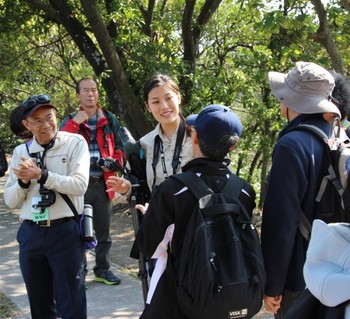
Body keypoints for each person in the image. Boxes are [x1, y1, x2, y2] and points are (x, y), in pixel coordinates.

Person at [110, 104, 256, 318]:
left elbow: (149, 247)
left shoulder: (172, 190)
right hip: (234, 293)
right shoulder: (245, 191)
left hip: (183, 299)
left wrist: (151, 215)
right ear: (232, 147)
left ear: (194, 139)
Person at [261, 61, 342, 318]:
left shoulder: (292, 145)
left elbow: (280, 224)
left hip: (300, 279)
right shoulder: (339, 137)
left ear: (290, 101)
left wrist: (272, 285)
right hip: (339, 274)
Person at [4, 94, 90, 318]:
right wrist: (23, 182)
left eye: (49, 117)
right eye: (38, 120)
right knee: (40, 306)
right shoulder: (20, 153)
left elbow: (79, 185)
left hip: (65, 233)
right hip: (31, 234)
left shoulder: (75, 143)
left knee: (71, 304)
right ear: (26, 125)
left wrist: (42, 175)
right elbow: (10, 201)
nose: (46, 124)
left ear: (56, 116)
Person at [59, 77, 125, 286]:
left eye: (94, 90)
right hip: (78, 185)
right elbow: (58, 144)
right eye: (85, 91)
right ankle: (79, 273)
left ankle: (102, 270)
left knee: (104, 232)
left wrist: (114, 163)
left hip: (103, 182)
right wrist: (75, 122)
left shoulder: (109, 118)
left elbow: (121, 145)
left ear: (98, 94)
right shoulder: (70, 119)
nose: (90, 94)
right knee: (78, 231)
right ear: (78, 95)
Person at [107, 73, 193, 200]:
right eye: (156, 102)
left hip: (197, 217)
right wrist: (126, 189)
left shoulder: (200, 137)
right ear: (148, 107)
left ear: (179, 98)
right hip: (160, 217)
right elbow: (134, 188)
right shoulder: (144, 145)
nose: (164, 106)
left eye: (169, 98)